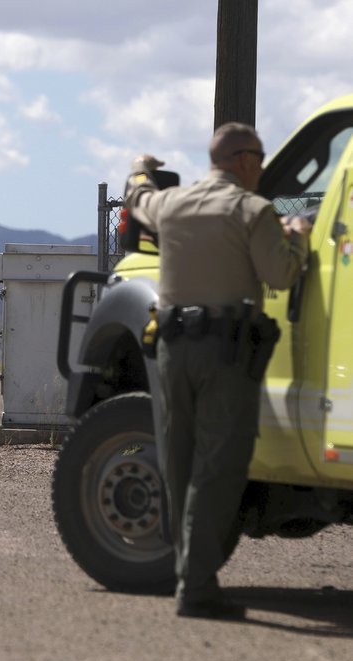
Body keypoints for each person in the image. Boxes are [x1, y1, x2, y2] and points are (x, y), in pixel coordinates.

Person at [125, 122, 309, 620]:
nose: (263, 168)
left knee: (180, 462)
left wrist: (141, 169)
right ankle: (197, 588)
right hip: (225, 354)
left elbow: (138, 198)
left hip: (172, 349)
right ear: (244, 160)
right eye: (262, 159)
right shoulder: (253, 210)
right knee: (218, 468)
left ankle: (185, 576)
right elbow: (281, 273)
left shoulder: (173, 204)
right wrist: (298, 236)